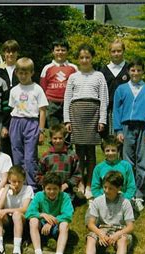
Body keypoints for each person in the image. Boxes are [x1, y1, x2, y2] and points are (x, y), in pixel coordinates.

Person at [63, 43, 109, 200]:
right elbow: (67, 99)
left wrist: (102, 119)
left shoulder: (99, 76)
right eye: (81, 57)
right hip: (76, 115)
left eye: (87, 57)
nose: (84, 60)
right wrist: (67, 120)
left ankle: (90, 184)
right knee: (78, 152)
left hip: (93, 115)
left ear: (92, 58)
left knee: (91, 153)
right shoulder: (73, 77)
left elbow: (104, 99)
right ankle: (80, 183)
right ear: (78, 59)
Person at [113, 58, 145, 211]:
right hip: (126, 126)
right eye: (133, 70)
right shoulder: (122, 89)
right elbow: (116, 111)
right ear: (128, 71)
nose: (136, 73)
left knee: (142, 161)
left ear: (143, 71)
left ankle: (139, 194)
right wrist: (118, 130)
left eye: (139, 70)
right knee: (127, 161)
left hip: (143, 127)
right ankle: (128, 193)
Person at [85, 171, 134, 254]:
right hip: (102, 228)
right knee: (91, 237)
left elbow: (131, 226)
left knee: (123, 240)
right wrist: (100, 233)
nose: (106, 191)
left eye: (110, 188)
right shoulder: (98, 201)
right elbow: (91, 224)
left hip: (119, 229)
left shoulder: (125, 203)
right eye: (105, 187)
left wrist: (117, 234)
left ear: (119, 188)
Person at [8, 57, 48, 191]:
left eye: (26, 73)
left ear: (32, 73)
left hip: (31, 123)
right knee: (17, 155)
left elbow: (42, 111)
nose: (23, 76)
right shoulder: (14, 90)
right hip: (16, 122)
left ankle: (32, 186)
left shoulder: (37, 89)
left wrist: (41, 131)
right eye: (20, 73)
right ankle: (19, 184)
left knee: (30, 157)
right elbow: (12, 108)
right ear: (16, 73)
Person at [25, 172, 74, 254]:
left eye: (55, 189)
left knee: (65, 224)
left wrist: (52, 222)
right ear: (44, 188)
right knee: (33, 220)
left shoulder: (65, 196)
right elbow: (29, 213)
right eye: (49, 189)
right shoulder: (39, 196)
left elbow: (68, 215)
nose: (52, 192)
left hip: (56, 226)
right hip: (42, 226)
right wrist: (42, 215)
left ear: (60, 188)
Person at [0, 166, 33, 254]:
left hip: (22, 222)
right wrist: (6, 189)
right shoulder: (4, 190)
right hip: (9, 222)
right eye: (13, 181)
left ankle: (17, 250)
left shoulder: (28, 189)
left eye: (19, 182)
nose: (17, 184)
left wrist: (6, 210)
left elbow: (25, 209)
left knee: (17, 214)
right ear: (9, 180)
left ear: (24, 180)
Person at [37, 124, 82, 201]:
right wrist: (46, 185)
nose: (58, 141)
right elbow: (39, 175)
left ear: (64, 138)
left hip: (66, 190)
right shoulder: (46, 156)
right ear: (51, 139)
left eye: (60, 138)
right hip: (50, 190)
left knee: (66, 207)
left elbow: (77, 175)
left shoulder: (71, 155)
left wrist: (67, 184)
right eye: (55, 138)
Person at [40, 39, 78, 128]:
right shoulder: (47, 68)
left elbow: (77, 87)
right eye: (57, 50)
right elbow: (43, 88)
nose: (60, 52)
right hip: (52, 103)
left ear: (67, 51)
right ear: (53, 52)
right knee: (54, 130)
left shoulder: (74, 68)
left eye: (63, 50)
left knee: (68, 129)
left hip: (69, 103)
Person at [91, 135, 136, 201]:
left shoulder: (126, 166)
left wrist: (126, 198)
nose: (110, 153)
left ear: (118, 151)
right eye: (107, 150)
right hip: (104, 198)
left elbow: (131, 186)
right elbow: (95, 188)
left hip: (122, 198)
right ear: (104, 152)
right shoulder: (99, 168)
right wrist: (101, 199)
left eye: (113, 150)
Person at [100, 39, 130, 136]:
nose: (116, 54)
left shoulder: (129, 69)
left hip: (125, 109)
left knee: (124, 138)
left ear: (123, 51)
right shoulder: (103, 71)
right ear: (109, 52)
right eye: (113, 51)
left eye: (119, 51)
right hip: (109, 109)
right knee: (110, 139)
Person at [0, 39, 20, 157]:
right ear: (4, 53)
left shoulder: (22, 69)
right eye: (7, 51)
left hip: (20, 110)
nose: (10, 54)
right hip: (3, 111)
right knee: (4, 142)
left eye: (13, 51)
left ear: (17, 53)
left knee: (18, 144)